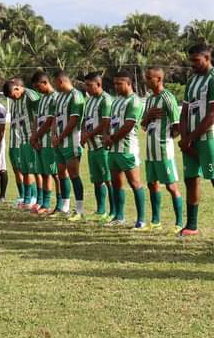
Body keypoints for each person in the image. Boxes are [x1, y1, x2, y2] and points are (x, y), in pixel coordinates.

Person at [178, 43, 214, 246]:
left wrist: (190, 137)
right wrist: (184, 137)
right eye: (191, 60)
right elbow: (184, 111)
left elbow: (213, 115)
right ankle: (192, 226)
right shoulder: (192, 80)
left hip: (209, 138)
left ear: (207, 58)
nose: (192, 64)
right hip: (190, 139)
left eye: (196, 60)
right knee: (191, 179)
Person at [140, 66, 184, 230]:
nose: (146, 80)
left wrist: (167, 139)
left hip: (164, 150)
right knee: (152, 184)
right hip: (150, 151)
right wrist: (148, 117)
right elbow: (143, 124)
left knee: (171, 186)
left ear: (158, 79)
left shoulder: (168, 98)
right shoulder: (150, 99)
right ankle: (155, 221)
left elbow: (177, 125)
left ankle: (179, 223)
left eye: (149, 77)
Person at [106, 71, 147, 229]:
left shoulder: (135, 101)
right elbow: (110, 122)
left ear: (129, 83)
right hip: (114, 149)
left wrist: (112, 138)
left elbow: (129, 125)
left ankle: (141, 220)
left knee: (135, 182)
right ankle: (119, 216)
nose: (116, 86)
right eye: (115, 83)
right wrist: (106, 136)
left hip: (128, 148)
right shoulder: (116, 101)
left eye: (119, 84)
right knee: (116, 183)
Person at [50, 70, 86, 220]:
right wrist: (53, 134)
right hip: (59, 141)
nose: (54, 86)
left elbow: (73, 121)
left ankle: (79, 209)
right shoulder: (59, 97)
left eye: (55, 83)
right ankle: (64, 206)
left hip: (72, 141)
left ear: (61, 81)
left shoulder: (76, 96)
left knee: (74, 174)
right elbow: (55, 117)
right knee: (61, 172)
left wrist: (61, 136)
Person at [79, 72, 114, 222]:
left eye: (89, 85)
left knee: (108, 179)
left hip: (102, 146)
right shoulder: (90, 100)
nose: (87, 88)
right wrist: (83, 133)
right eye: (85, 85)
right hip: (92, 147)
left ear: (98, 84)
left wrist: (89, 134)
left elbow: (105, 123)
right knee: (97, 180)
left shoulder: (106, 100)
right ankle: (100, 210)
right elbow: (85, 119)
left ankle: (114, 211)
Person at [6, 76, 41, 209]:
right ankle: (26, 198)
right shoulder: (17, 100)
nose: (13, 98)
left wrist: (37, 135)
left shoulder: (30, 95)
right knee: (24, 170)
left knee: (34, 170)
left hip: (32, 138)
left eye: (12, 95)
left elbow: (40, 114)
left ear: (17, 87)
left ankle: (36, 198)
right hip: (20, 139)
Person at [28, 71, 59, 214]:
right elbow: (36, 119)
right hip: (39, 141)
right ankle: (45, 204)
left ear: (45, 82)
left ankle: (60, 204)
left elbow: (50, 121)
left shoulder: (55, 98)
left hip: (49, 142)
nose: (37, 90)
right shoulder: (42, 99)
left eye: (38, 86)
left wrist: (37, 136)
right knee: (44, 173)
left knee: (55, 173)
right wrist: (34, 135)